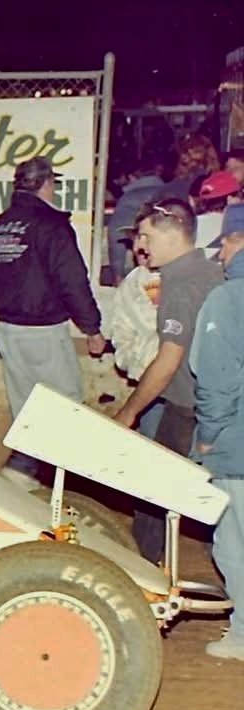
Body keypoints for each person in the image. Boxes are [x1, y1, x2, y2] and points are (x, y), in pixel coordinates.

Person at [0, 156, 106, 489]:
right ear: (47, 183)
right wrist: (92, 328)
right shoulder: (51, 225)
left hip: (8, 330)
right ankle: (44, 481)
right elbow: (72, 281)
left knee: (27, 411)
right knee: (67, 410)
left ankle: (27, 483)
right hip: (44, 331)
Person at [112, 200, 225, 564]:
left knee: (155, 492)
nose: (141, 246)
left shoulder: (181, 284)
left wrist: (129, 412)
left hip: (189, 409)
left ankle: (138, 571)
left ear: (172, 232)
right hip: (216, 407)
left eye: (146, 235)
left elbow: (167, 360)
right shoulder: (211, 273)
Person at [189, 203, 244, 661]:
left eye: (225, 242)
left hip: (238, 449)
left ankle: (243, 634)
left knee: (235, 543)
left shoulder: (227, 300)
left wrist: (208, 436)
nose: (221, 254)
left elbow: (218, 379)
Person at [104, 238, 164, 439]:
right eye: (136, 244)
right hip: (149, 384)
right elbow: (121, 329)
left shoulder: (184, 278)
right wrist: (133, 361)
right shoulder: (133, 283)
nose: (140, 250)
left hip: (185, 386)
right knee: (153, 442)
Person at [106, 157, 165, 283]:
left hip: (139, 268)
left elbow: (117, 234)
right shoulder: (171, 192)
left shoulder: (129, 198)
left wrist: (117, 274)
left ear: (131, 177)